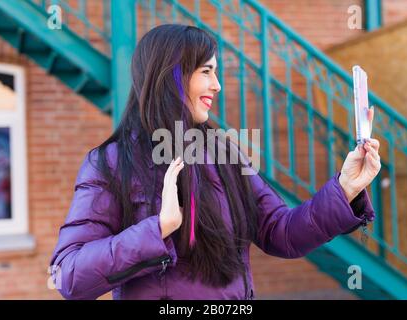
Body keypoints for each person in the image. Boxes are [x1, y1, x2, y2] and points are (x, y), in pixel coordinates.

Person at [49, 24, 381, 300]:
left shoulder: (226, 153)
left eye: (216, 72)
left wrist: (345, 188)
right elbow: (69, 274)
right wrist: (157, 229)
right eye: (206, 71)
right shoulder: (111, 162)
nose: (217, 85)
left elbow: (282, 232)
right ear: (171, 75)